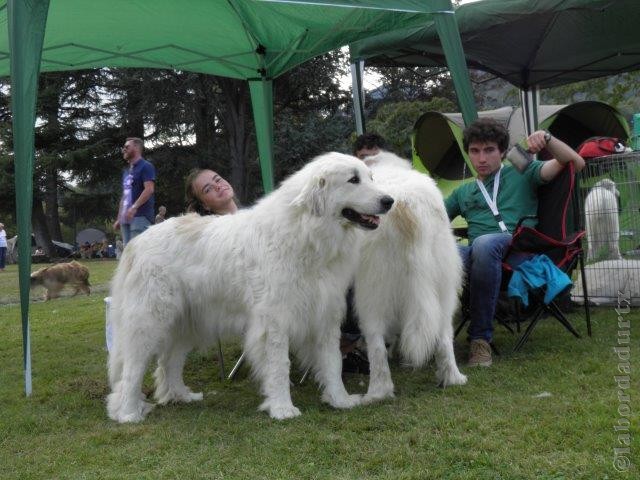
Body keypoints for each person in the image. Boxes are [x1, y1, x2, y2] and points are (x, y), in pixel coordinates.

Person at [445, 118, 585, 367]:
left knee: (484, 243)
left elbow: (576, 162)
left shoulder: (523, 173)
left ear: (502, 152)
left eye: (489, 150)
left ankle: (480, 340)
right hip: (479, 257)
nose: (482, 158)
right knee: (441, 253)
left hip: (517, 248)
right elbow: (433, 221)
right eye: (475, 151)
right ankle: (433, 339)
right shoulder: (463, 193)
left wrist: (547, 138)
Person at [113, 137, 156, 246]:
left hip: (140, 217)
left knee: (138, 253)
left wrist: (134, 207)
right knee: (127, 255)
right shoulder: (127, 171)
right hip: (125, 220)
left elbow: (149, 189)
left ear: (136, 147)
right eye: (123, 147)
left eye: (127, 147)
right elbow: (125, 196)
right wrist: (119, 218)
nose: (124, 150)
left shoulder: (146, 166)